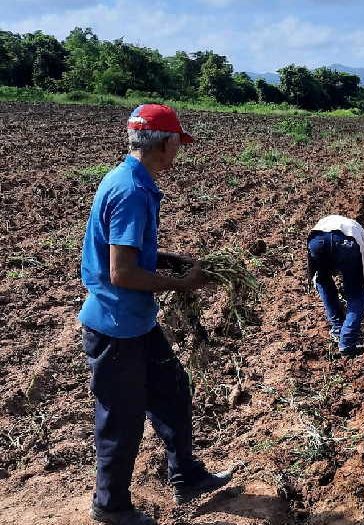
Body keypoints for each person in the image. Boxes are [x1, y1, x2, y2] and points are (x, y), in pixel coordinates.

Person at [79, 104, 234, 525]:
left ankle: (185, 473)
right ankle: (110, 506)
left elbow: (132, 252)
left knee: (172, 391)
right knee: (122, 418)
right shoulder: (131, 191)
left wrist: (170, 259)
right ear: (165, 144)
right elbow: (122, 271)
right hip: (115, 327)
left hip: (136, 322)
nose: (177, 153)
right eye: (177, 145)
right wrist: (182, 285)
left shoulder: (129, 178)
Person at [307, 215, 364, 357]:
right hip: (346, 243)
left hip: (316, 240)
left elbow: (315, 275)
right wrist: (363, 304)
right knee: (356, 294)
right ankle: (348, 342)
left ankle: (338, 328)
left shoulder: (327, 222)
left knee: (323, 281)